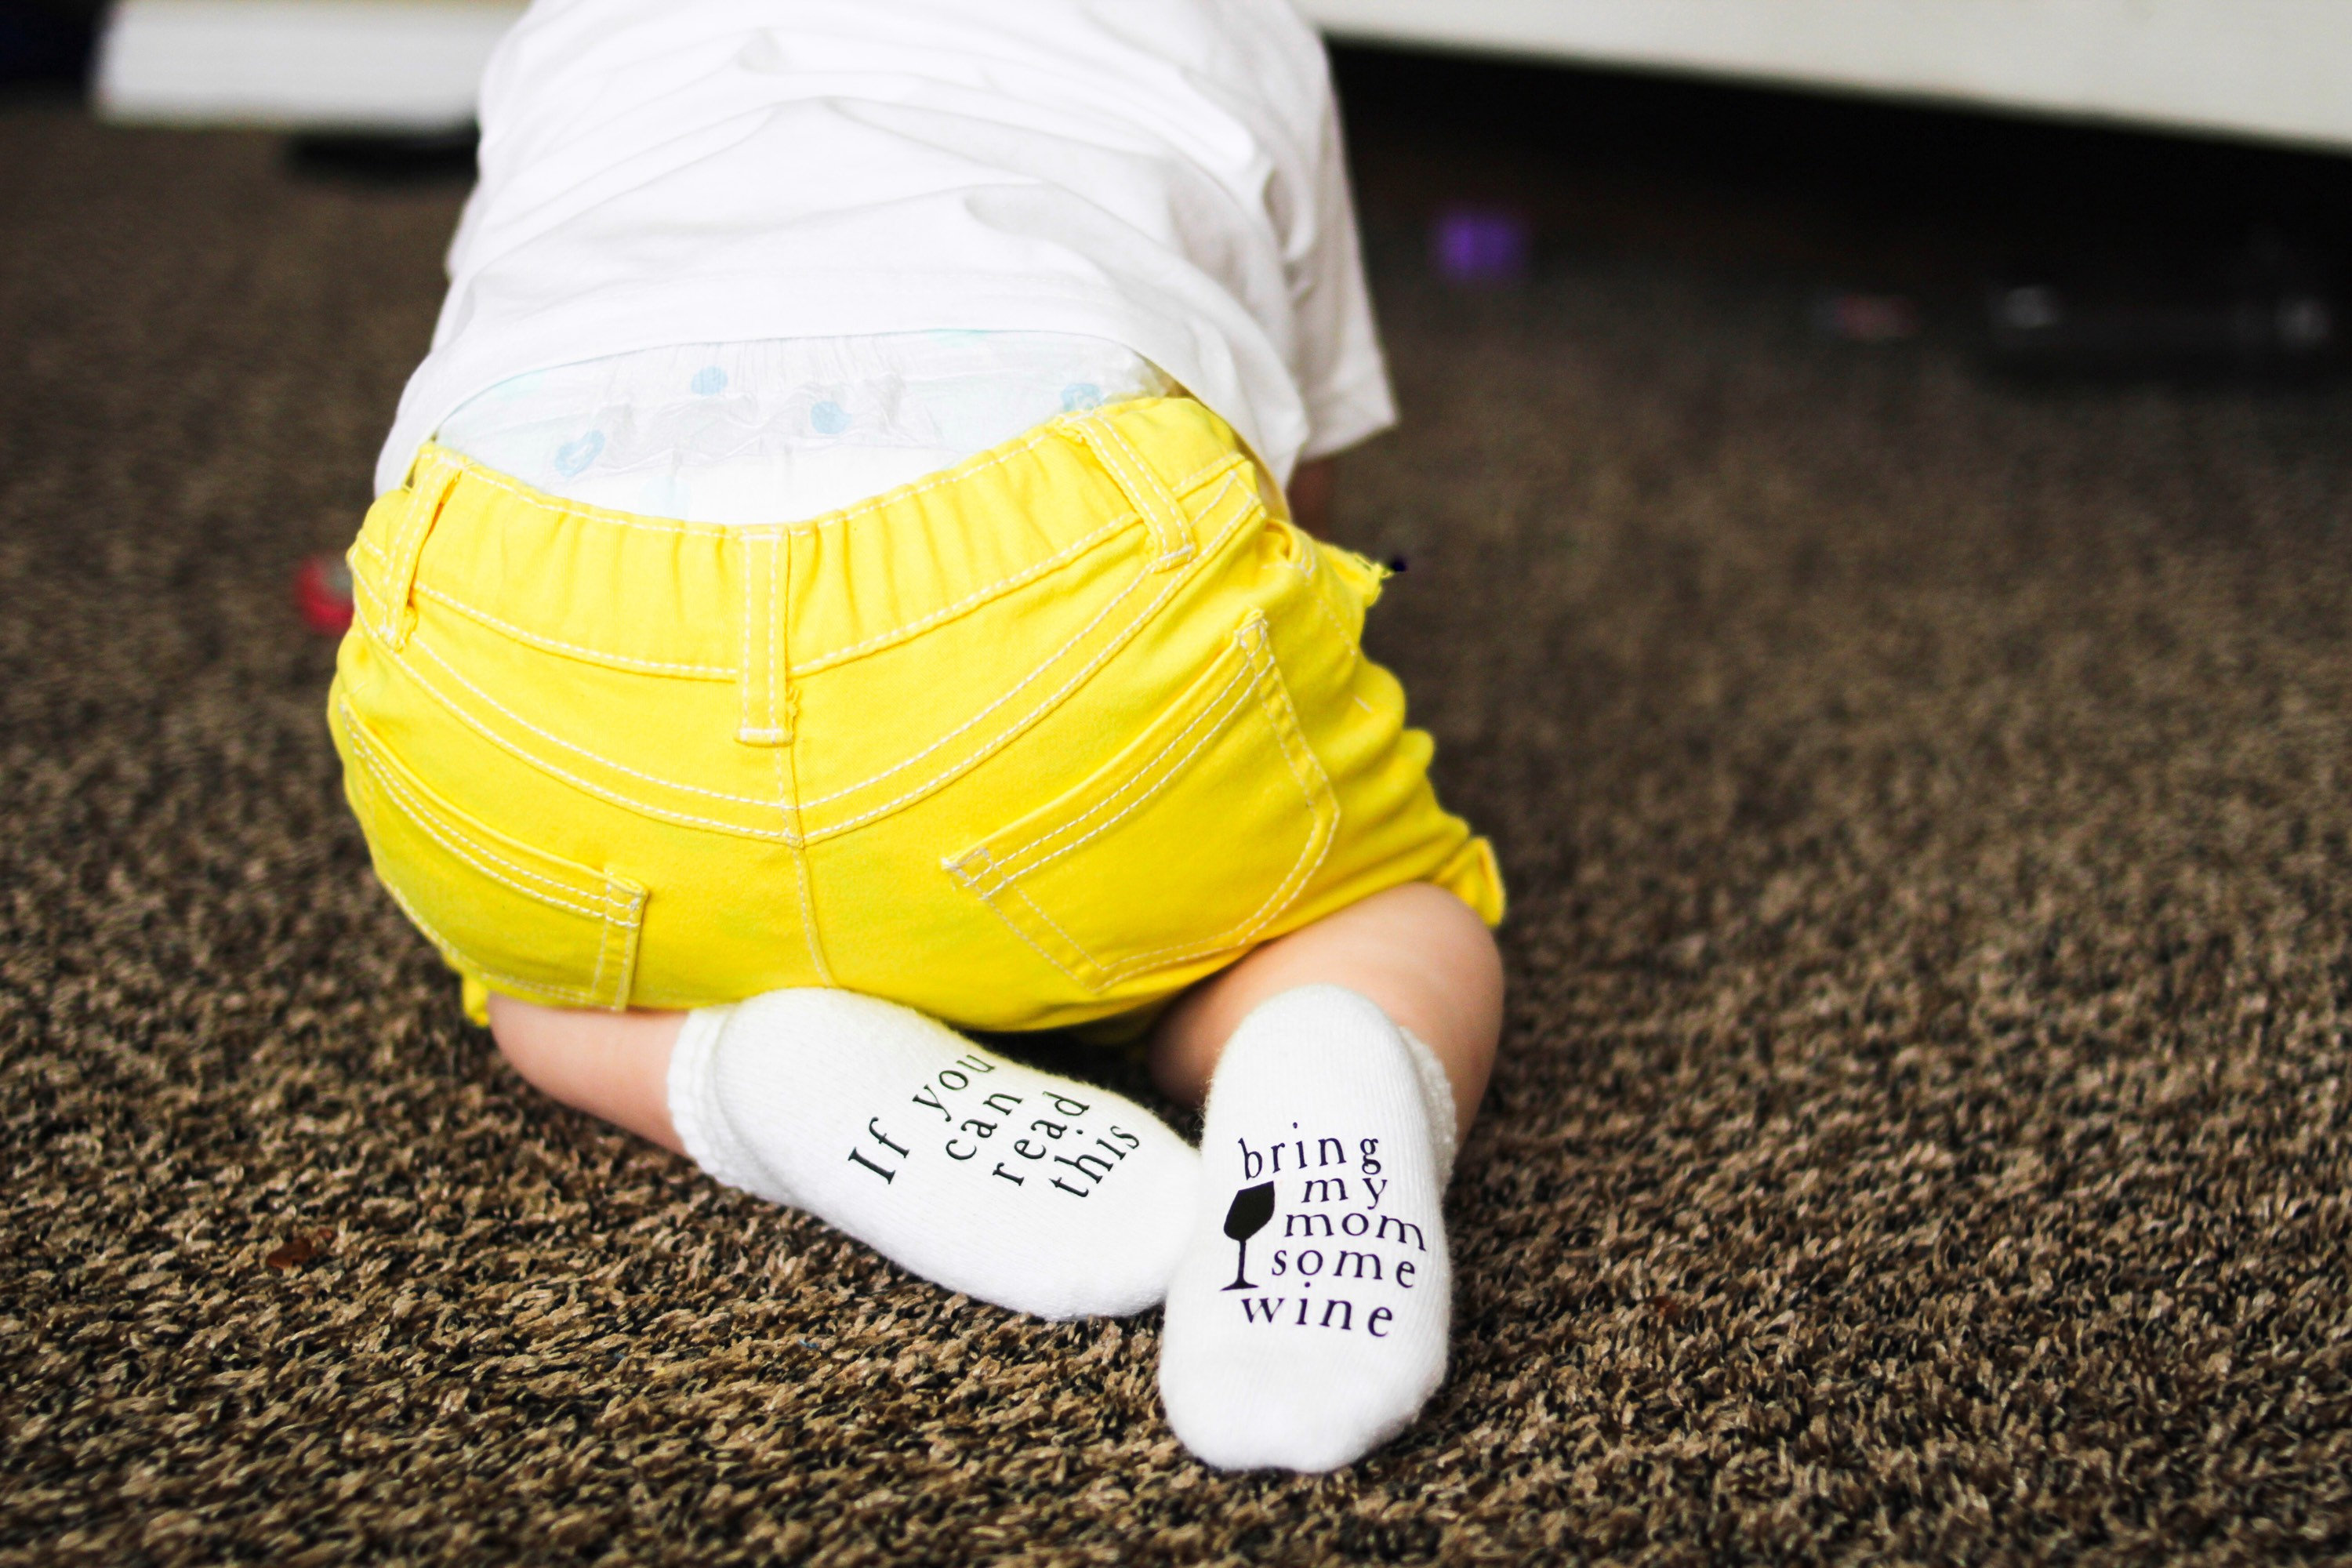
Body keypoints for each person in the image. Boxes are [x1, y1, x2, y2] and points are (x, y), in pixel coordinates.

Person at [332, 0, 1504, 1473]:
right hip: (1052, 547)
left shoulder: (576, 24)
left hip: (526, 597)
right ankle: (1313, 1051)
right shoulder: (1241, 25)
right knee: (1363, 911)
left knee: (533, 981)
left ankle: (751, 1071)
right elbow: (1295, 490)